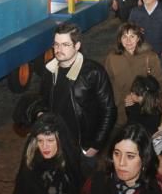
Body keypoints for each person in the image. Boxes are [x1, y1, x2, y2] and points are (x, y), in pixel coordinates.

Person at [40, 22, 117, 176]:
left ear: (77, 46)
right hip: (56, 146)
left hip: (83, 148)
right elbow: (43, 102)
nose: (59, 49)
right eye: (56, 44)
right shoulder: (50, 70)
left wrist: (95, 145)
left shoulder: (93, 72)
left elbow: (109, 110)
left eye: (65, 44)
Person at [103, 23, 162, 126]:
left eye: (132, 36)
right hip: (121, 109)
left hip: (145, 110)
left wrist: (139, 98)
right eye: (124, 36)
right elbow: (108, 83)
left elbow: (161, 84)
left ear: (138, 38)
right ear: (120, 39)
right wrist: (121, 99)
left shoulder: (150, 57)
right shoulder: (112, 58)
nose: (128, 41)